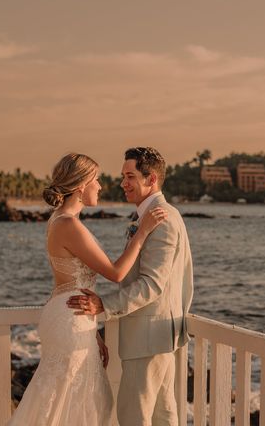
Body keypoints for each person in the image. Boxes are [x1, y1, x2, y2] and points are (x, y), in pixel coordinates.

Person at [8, 152, 167, 426]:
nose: (102, 186)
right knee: (69, 402)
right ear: (81, 185)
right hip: (71, 318)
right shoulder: (69, 224)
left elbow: (70, 282)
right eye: (97, 180)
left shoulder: (60, 220)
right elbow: (116, 273)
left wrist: (92, 332)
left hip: (72, 315)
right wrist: (142, 232)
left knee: (79, 399)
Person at [68, 146, 194, 426]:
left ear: (152, 180)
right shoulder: (153, 216)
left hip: (149, 337)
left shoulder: (162, 220)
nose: (123, 183)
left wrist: (105, 304)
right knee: (163, 416)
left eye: (130, 176)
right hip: (157, 334)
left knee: (133, 416)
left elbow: (151, 284)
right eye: (123, 176)